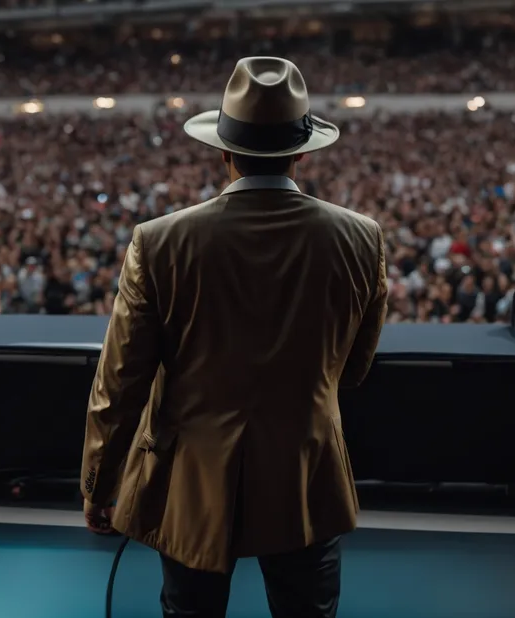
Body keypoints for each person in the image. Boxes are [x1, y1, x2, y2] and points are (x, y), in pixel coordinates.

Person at [79, 56, 389, 617]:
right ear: (301, 151)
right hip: (305, 474)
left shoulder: (158, 242)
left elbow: (120, 381)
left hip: (192, 480)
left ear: (222, 150)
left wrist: (99, 484)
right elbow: (356, 366)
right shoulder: (362, 238)